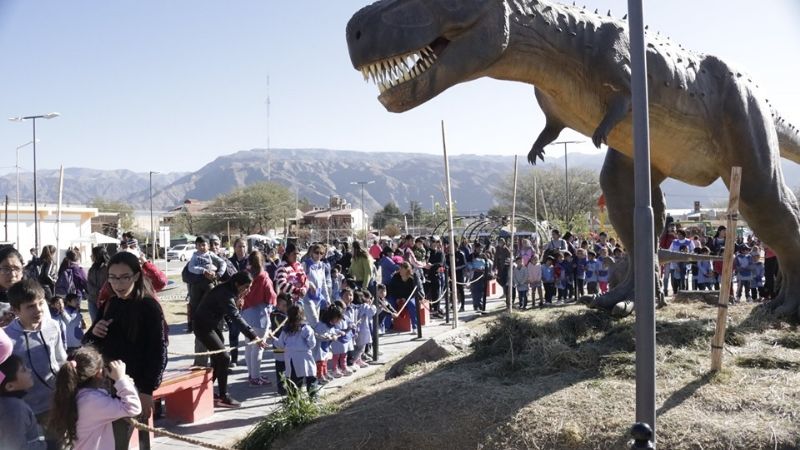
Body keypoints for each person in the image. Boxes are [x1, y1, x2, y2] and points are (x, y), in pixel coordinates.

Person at [83, 251, 167, 448]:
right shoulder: (110, 303)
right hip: (103, 386)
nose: (118, 284)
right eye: (112, 278)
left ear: (136, 276)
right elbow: (87, 341)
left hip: (132, 386)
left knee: (119, 441)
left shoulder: (148, 306)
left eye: (124, 277)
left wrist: (147, 390)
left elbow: (158, 352)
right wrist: (95, 332)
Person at [4, 278, 68, 448]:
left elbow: (61, 360)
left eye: (40, 303)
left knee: (57, 445)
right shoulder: (7, 338)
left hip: (53, 404)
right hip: (25, 407)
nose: (38, 310)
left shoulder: (53, 326)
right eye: (30, 306)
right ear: (16, 310)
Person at [192, 271, 267, 407]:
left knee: (218, 360)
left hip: (211, 325)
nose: (248, 290)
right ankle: (223, 396)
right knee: (225, 358)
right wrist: (253, 336)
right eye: (246, 287)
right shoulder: (225, 294)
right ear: (237, 284)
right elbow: (236, 318)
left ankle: (207, 391)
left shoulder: (229, 290)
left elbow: (229, 313)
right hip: (203, 326)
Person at [49, 347, 141, 450]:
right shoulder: (92, 401)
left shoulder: (74, 395)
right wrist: (121, 379)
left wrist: (123, 383)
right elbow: (133, 407)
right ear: (99, 374)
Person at [0, 326, 47, 450]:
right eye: (23, 370)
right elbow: (15, 446)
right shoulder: (13, 408)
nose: (29, 370)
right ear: (10, 386)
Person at [241, 250, 276, 386]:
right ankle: (256, 377)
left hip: (246, 314)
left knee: (249, 346)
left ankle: (252, 374)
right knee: (258, 347)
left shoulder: (246, 275)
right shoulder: (264, 277)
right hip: (260, 315)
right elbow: (271, 296)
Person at [274, 304, 317, 396]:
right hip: (305, 357)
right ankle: (314, 399)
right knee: (311, 378)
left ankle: (294, 401)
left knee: (295, 381)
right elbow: (312, 344)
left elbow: (280, 345)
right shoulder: (307, 329)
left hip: (292, 359)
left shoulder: (285, 330)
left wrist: (273, 339)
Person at [386, 262, 424, 329]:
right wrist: (397, 298)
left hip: (411, 297)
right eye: (399, 268)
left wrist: (406, 298)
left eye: (401, 268)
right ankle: (387, 326)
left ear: (407, 269)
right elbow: (391, 289)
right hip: (398, 297)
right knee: (389, 302)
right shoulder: (396, 277)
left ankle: (415, 327)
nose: (399, 270)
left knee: (411, 304)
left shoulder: (414, 278)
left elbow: (417, 292)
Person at [312, 305, 343, 383]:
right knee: (320, 362)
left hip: (326, 347)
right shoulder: (321, 325)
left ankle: (325, 373)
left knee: (325, 361)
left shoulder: (330, 325)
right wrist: (331, 337)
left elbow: (333, 331)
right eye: (337, 319)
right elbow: (320, 335)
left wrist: (339, 332)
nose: (338, 321)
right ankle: (319, 376)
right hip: (319, 347)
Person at [0, 246, 26, 327]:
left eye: (17, 269)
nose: (12, 274)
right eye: (6, 269)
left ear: (22, 272)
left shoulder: (33, 297)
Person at [270, 294, 290, 395]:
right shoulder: (277, 316)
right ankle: (281, 388)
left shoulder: (284, 315)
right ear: (277, 304)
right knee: (280, 368)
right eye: (283, 305)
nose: (285, 307)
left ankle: (285, 386)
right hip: (279, 345)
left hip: (286, 346)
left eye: (286, 305)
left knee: (286, 367)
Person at [351, 290, 376, 368]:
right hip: (363, 330)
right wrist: (372, 304)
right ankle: (354, 361)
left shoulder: (352, 306)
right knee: (361, 348)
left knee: (356, 347)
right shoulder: (364, 306)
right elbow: (371, 313)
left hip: (354, 330)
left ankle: (359, 360)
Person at [86, 246, 109, 323]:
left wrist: (102, 292)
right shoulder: (92, 269)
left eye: (92, 254)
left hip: (105, 301)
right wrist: (97, 291)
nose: (91, 256)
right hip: (92, 300)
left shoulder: (108, 268)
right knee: (95, 324)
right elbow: (88, 283)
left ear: (97, 255)